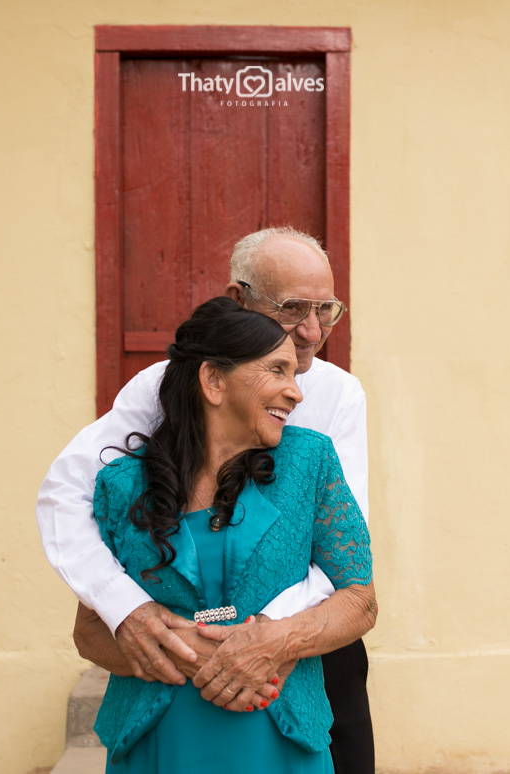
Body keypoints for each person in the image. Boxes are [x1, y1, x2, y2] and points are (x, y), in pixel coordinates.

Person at [37, 226, 375, 773]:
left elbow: (346, 565)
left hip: (306, 651)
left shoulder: (335, 402)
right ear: (238, 301)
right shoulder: (160, 392)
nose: (312, 331)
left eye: (326, 310)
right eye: (292, 309)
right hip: (169, 702)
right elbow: (67, 494)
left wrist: (262, 636)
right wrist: (127, 608)